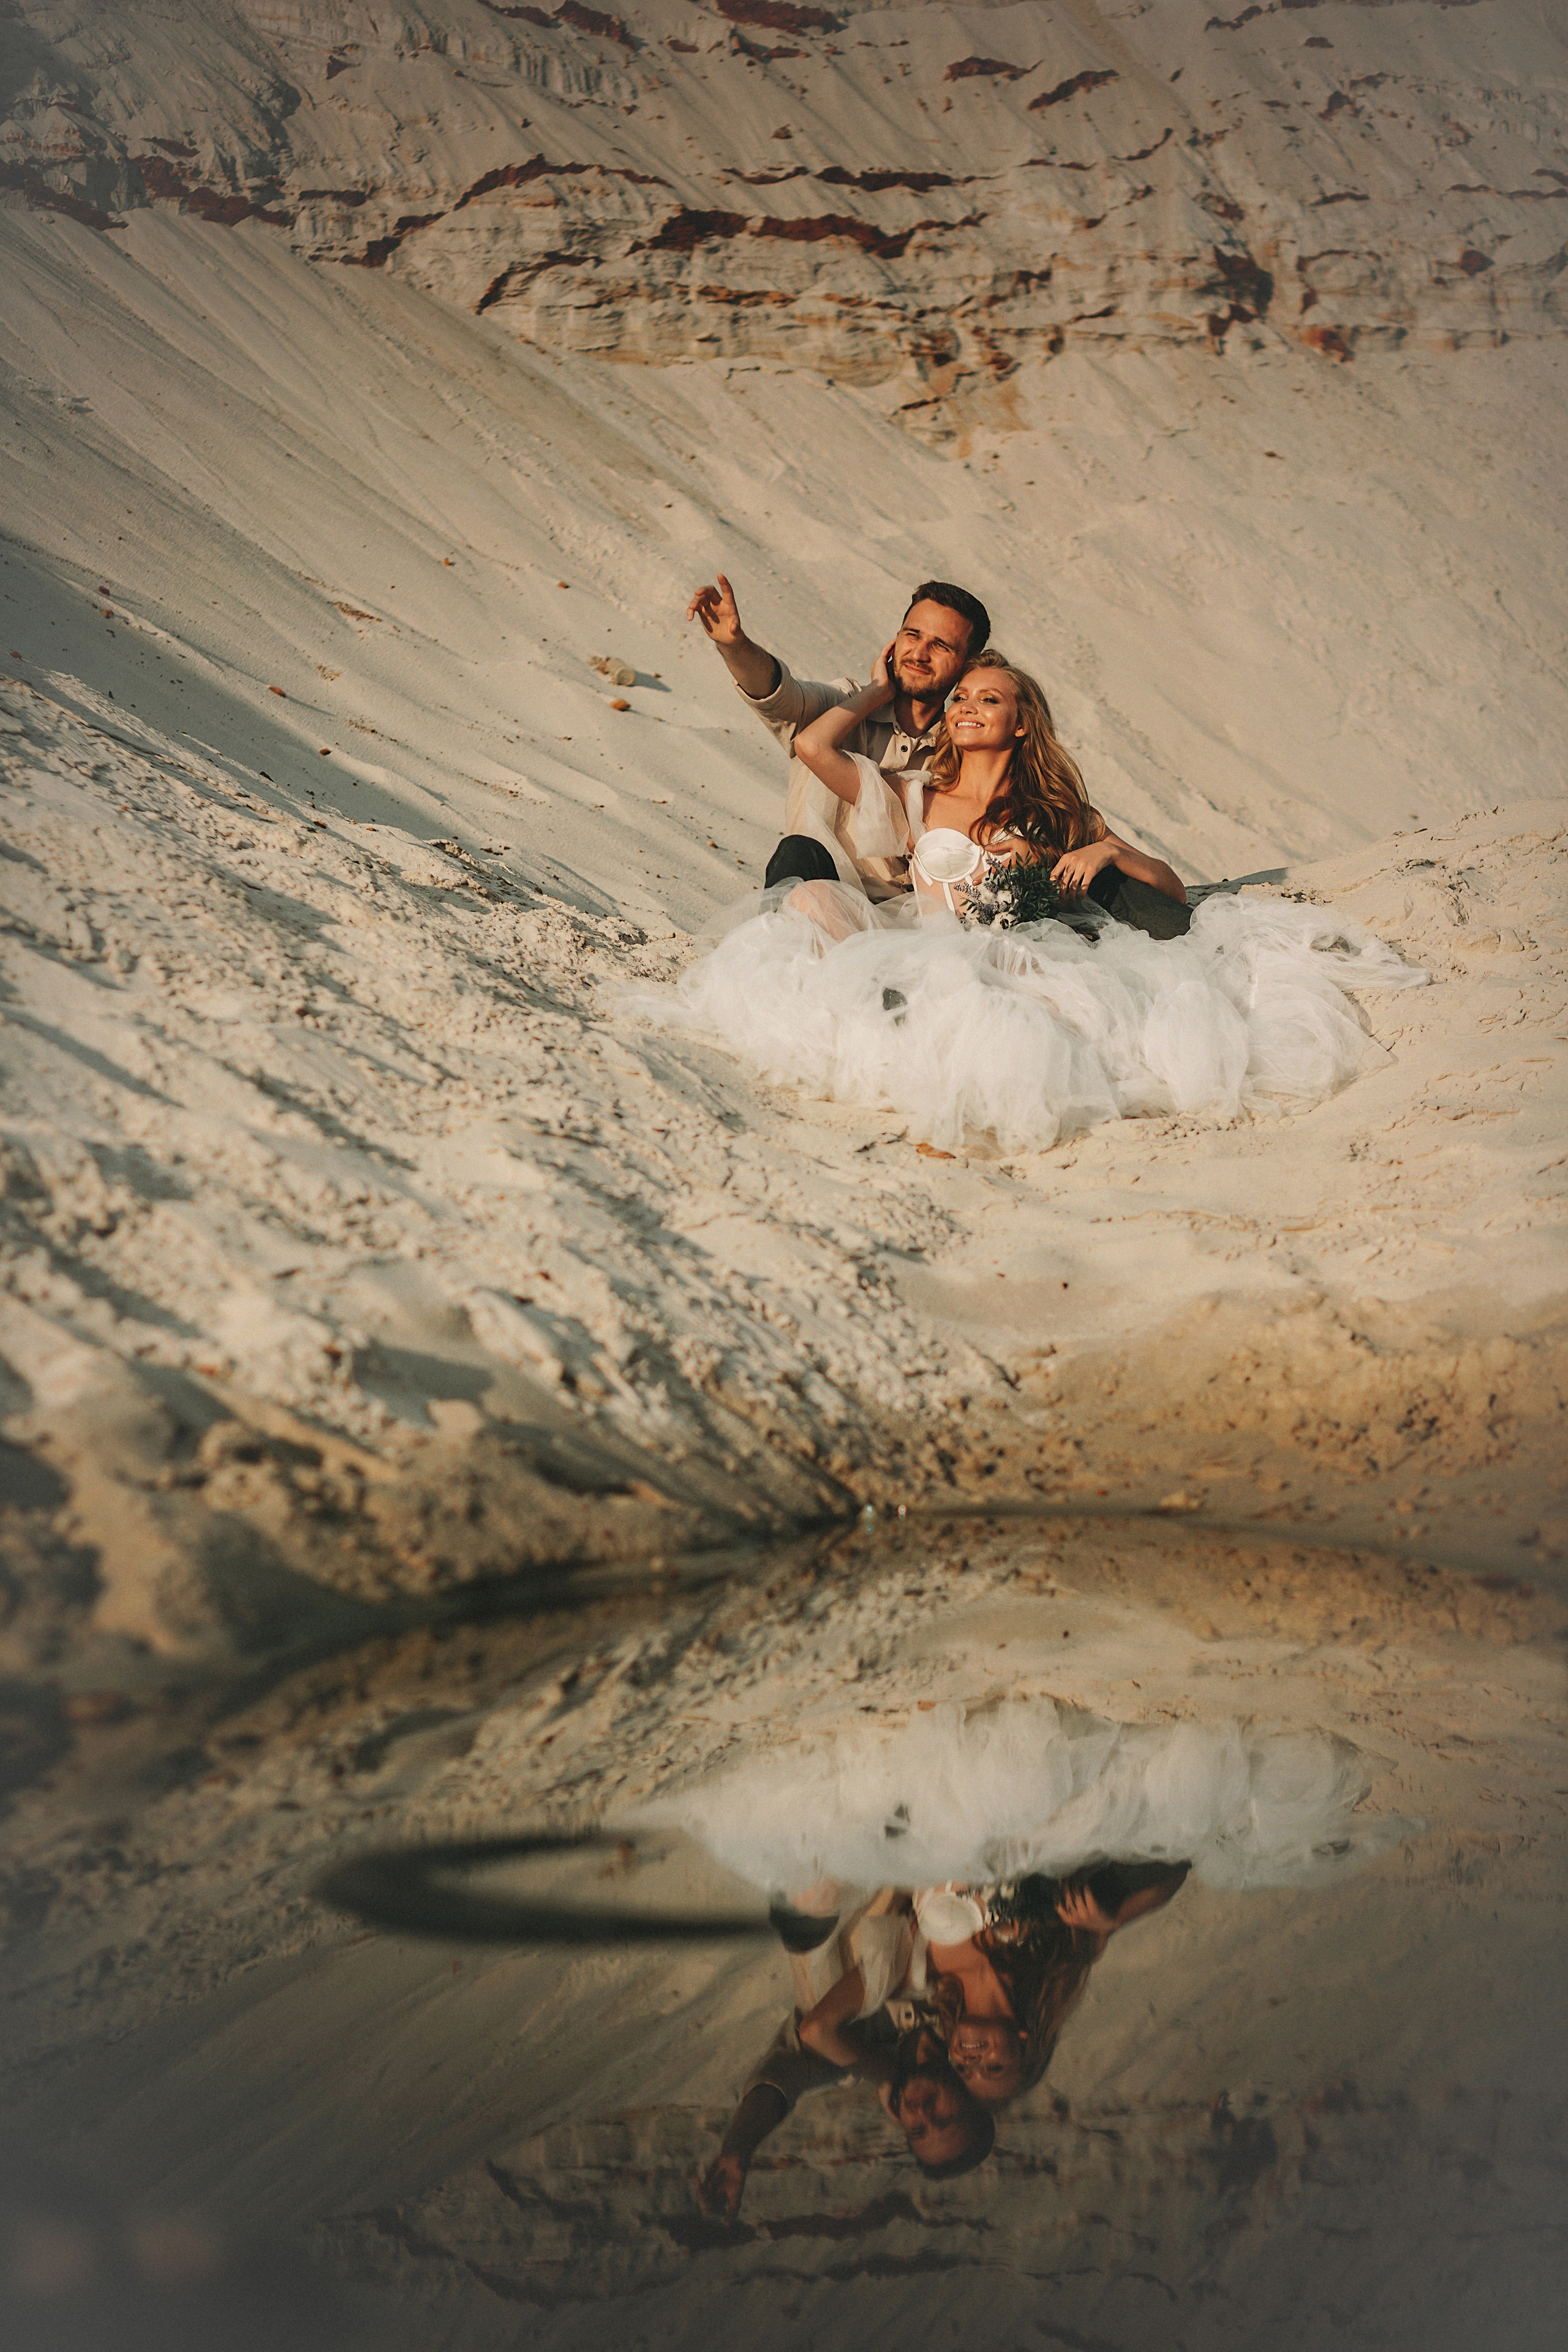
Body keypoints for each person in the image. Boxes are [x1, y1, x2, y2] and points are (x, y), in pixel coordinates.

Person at [636, 646, 1428, 1155]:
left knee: (1028, 1002)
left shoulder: (1055, 811)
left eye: (989, 700)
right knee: (811, 897)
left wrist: (1103, 850)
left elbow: (1166, 888)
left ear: (1021, 724)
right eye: (962, 698)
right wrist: (884, 685)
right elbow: (813, 745)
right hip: (929, 950)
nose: (966, 707)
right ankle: (887, 1015)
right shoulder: (913, 797)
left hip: (1022, 957)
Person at [695, 1888, 993, 2223]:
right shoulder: (971, 2016)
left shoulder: (852, 2057)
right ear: (972, 2097)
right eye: (944, 2119)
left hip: (823, 1888)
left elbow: (782, 2079)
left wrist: (737, 2151)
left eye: (917, 2131)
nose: (922, 2113)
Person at [685, 571, 990, 895]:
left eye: (940, 646)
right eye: (912, 635)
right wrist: (735, 647)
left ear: (968, 666)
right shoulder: (842, 702)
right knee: (798, 852)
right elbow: (778, 696)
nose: (919, 653)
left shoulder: (965, 748)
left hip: (899, 915)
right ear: (896, 639)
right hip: (812, 892)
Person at [918, 1864, 1191, 2108]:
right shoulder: (1060, 1949)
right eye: (995, 2068)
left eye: (962, 2070)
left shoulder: (928, 1970)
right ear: (1024, 2042)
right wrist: (1116, 1920)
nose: (972, 2063)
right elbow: (1174, 1871)